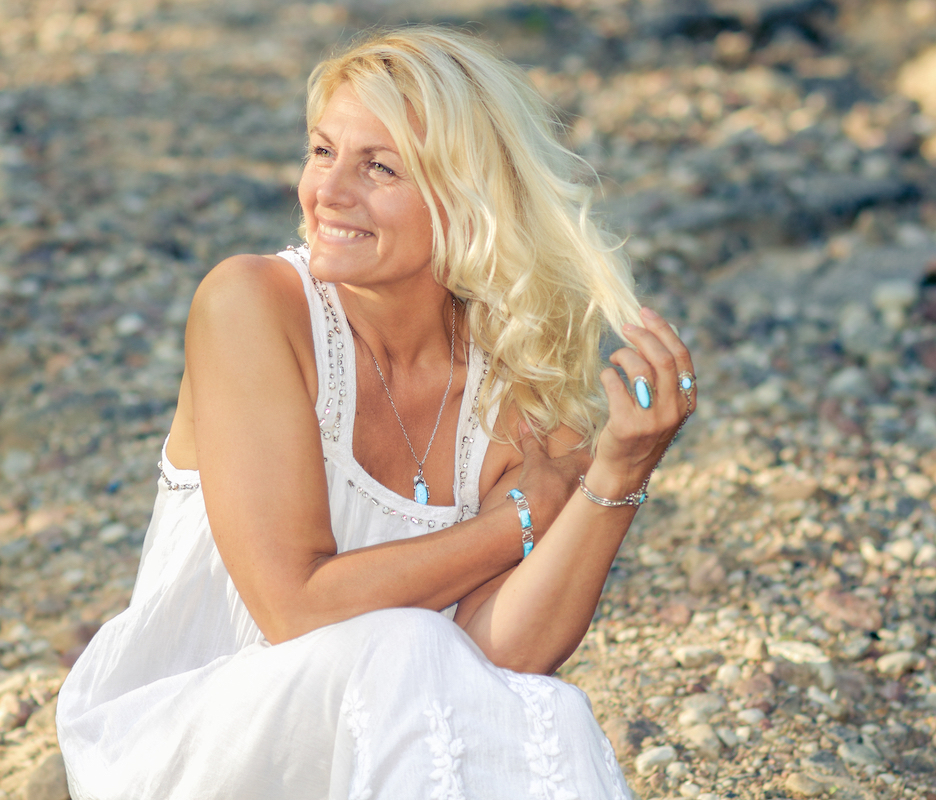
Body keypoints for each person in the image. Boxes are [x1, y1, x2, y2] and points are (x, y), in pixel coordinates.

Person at [57, 26, 695, 799]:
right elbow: (294, 605)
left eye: (379, 167)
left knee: (541, 707)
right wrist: (520, 516)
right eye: (322, 152)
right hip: (182, 741)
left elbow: (502, 657)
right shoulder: (254, 306)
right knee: (407, 641)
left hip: (380, 746)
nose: (327, 191)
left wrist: (617, 476)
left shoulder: (521, 378)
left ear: (465, 199)